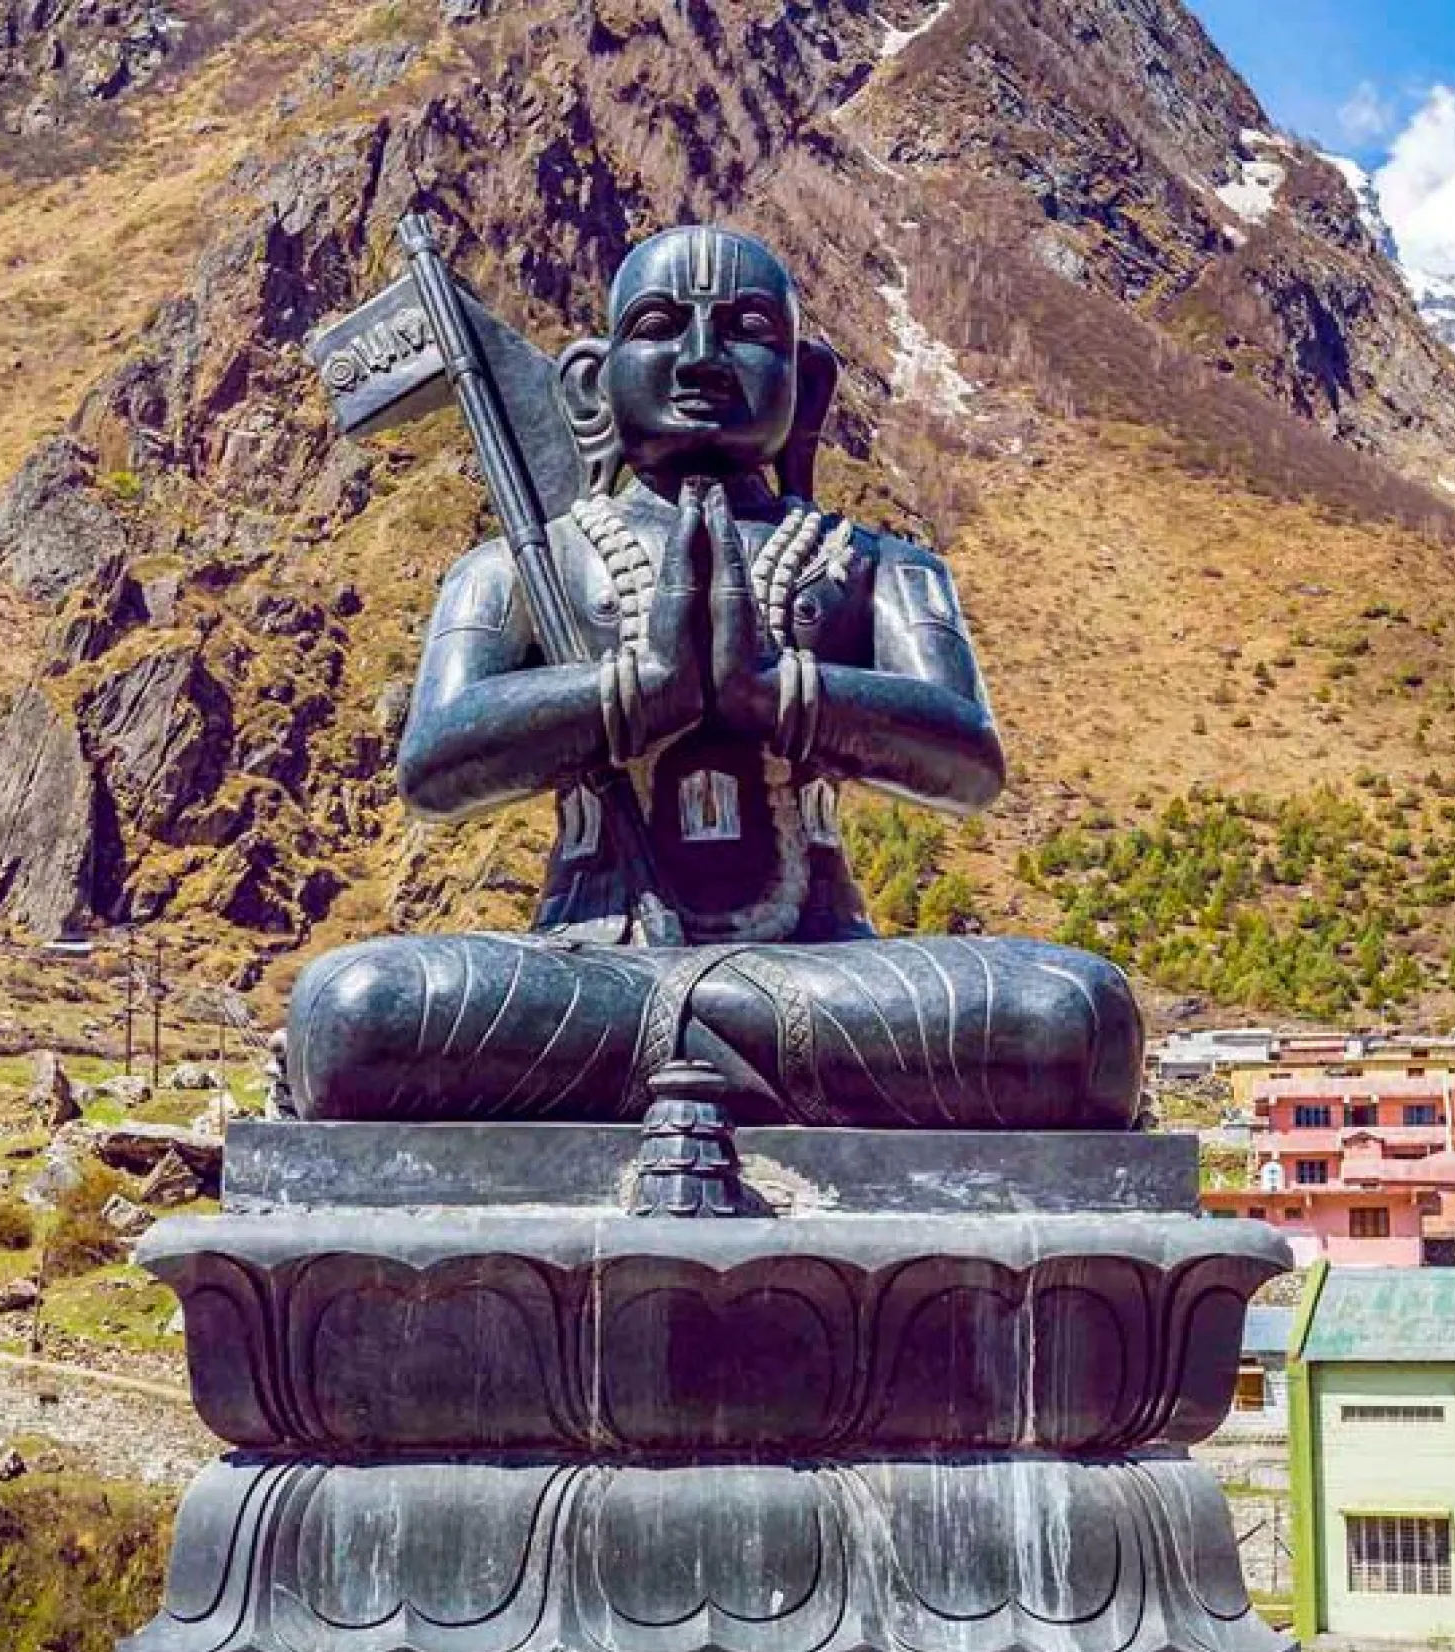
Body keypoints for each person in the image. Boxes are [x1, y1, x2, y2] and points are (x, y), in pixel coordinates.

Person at [287, 226, 1142, 1129]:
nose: (701, 357)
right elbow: (433, 766)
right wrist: (637, 692)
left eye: (745, 329)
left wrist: (778, 696)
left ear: (806, 386)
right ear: (592, 384)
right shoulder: (522, 565)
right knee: (358, 1011)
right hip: (593, 962)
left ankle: (698, 1055)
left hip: (823, 963)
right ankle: (739, 1064)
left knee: (1071, 1016)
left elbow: (968, 762)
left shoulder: (880, 567)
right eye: (660, 325)